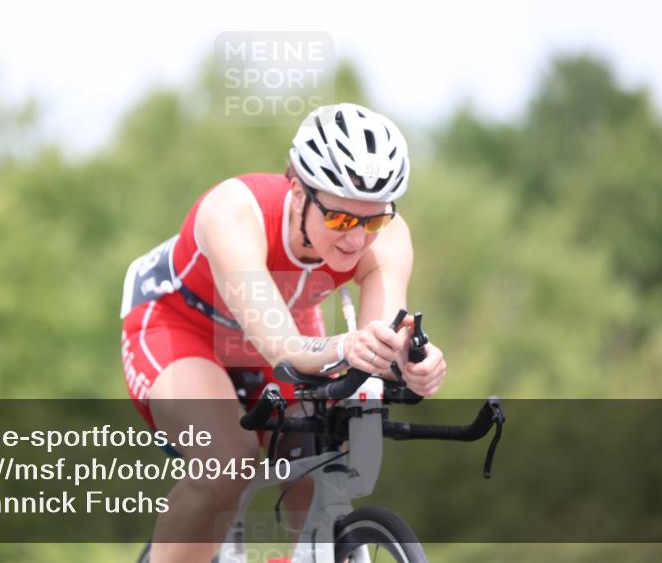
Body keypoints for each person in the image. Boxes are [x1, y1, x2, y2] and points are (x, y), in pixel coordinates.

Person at [119, 103, 447, 562]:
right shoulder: (234, 211)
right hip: (180, 324)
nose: (356, 239)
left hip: (285, 327)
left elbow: (383, 342)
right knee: (228, 460)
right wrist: (348, 348)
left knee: (319, 455)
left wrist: (414, 365)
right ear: (297, 191)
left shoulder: (387, 237)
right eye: (339, 219)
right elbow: (283, 347)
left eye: (372, 220)